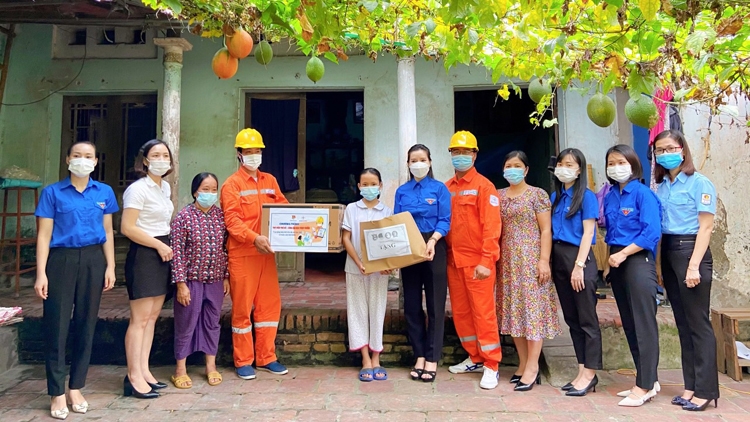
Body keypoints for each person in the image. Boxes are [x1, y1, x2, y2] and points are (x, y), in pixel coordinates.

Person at [34, 141, 118, 419]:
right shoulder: (53, 193)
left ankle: (76, 386)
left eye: (89, 156)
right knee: (57, 324)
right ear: (68, 158)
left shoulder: (103, 192)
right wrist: (41, 272)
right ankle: (56, 392)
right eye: (77, 155)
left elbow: (107, 230)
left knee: (86, 323)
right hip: (62, 260)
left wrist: (111, 266)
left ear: (96, 161)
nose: (83, 160)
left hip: (94, 259)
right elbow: (44, 235)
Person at [653, 130, 719, 411]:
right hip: (669, 251)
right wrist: (658, 265)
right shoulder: (662, 185)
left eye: (670, 147)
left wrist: (693, 265)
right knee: (682, 324)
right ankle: (690, 387)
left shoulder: (699, 183)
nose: (665, 153)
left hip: (692, 252)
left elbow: (706, 227)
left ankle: (706, 391)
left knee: (698, 323)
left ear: (682, 149)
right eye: (659, 150)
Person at [221, 128, 289, 380]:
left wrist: (299, 225)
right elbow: (232, 222)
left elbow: (283, 208)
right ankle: (243, 360)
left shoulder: (270, 180)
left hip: (266, 256)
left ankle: (266, 356)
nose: (253, 156)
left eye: (257, 151)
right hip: (242, 254)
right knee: (242, 309)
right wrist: (254, 238)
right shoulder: (231, 185)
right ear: (239, 154)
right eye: (248, 152)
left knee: (269, 307)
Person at [603, 144, 662, 407]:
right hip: (617, 261)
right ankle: (647, 378)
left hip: (638, 259)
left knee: (643, 323)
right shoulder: (610, 195)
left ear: (633, 164)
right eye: (611, 163)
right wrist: (608, 262)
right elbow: (610, 232)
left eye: (621, 162)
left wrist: (623, 254)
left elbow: (651, 233)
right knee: (629, 322)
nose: (616, 167)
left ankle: (645, 386)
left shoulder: (643, 194)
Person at [443, 131, 503, 390]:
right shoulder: (446, 188)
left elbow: (492, 228)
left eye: (465, 152)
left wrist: (485, 260)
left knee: (483, 313)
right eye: (455, 152)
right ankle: (474, 357)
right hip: (453, 261)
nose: (460, 156)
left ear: (475, 154)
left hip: (478, 264)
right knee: (462, 313)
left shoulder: (484, 187)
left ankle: (491, 364)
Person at [497, 150, 559, 392]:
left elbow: (546, 230)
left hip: (531, 260)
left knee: (532, 314)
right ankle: (522, 364)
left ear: (526, 170)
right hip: (508, 263)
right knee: (514, 313)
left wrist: (544, 260)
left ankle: (533, 366)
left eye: (517, 165)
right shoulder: (498, 196)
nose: (512, 169)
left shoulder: (538, 195)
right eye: (508, 165)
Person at [121, 139, 175, 399]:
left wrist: (165, 247)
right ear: (144, 160)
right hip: (145, 253)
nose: (161, 159)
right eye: (156, 155)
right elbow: (128, 227)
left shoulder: (164, 187)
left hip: (162, 251)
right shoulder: (137, 189)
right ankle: (132, 376)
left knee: (152, 317)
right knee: (139, 319)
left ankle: (144, 370)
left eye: (165, 155)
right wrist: (158, 246)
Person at [394, 144, 451, 382]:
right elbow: (396, 222)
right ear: (408, 164)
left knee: (436, 306)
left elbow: (445, 220)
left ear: (429, 162)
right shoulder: (402, 191)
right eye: (413, 160)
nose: (418, 164)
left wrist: (433, 241)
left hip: (434, 244)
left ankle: (432, 358)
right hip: (409, 245)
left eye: (422, 159)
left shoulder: (440, 189)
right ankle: (418, 354)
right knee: (412, 305)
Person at [549, 148, 602, 397]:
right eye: (560, 163)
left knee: (587, 319)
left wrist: (579, 266)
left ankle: (590, 373)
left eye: (569, 164)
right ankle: (582, 370)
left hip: (578, 259)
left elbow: (589, 233)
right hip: (559, 259)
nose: (564, 168)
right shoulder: (556, 197)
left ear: (579, 169)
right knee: (572, 319)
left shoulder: (587, 196)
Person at [170, 173, 230, 389]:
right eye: (205, 189)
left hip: (214, 279)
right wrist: (181, 284)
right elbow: (177, 252)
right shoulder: (183, 217)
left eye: (214, 189)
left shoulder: (220, 216)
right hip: (191, 281)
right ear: (195, 191)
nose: (210, 193)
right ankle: (180, 369)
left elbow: (225, 248)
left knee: (212, 323)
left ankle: (211, 366)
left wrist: (226, 276)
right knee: (186, 322)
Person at [341, 168, 394, 382]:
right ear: (359, 186)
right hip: (354, 269)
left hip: (380, 271)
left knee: (377, 310)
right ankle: (364, 359)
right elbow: (346, 238)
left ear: (380, 186)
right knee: (357, 311)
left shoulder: (387, 211)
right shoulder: (352, 209)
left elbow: (392, 240)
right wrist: (359, 262)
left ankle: (376, 358)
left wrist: (388, 264)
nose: (369, 188)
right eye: (365, 184)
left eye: (374, 184)